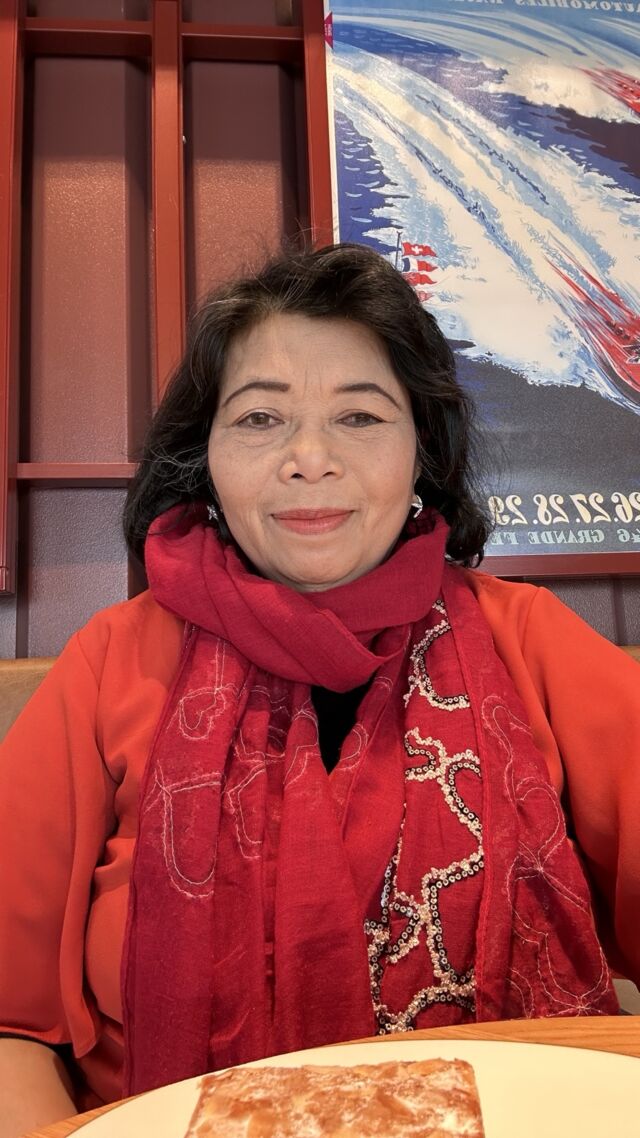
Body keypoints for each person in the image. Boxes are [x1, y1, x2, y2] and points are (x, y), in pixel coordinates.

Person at [0, 243, 638, 1137]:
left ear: (422, 451)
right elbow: (9, 1028)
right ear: (205, 456)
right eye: (261, 418)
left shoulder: (526, 640)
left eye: (360, 416)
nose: (309, 458)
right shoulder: (112, 660)